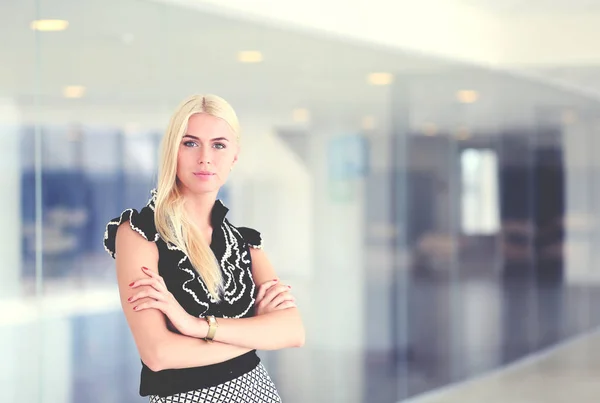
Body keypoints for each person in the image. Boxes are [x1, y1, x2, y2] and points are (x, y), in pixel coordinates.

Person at [103, 94, 305, 402]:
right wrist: (257, 332)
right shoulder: (139, 233)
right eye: (190, 143)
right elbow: (158, 354)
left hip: (258, 393)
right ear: (173, 150)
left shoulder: (245, 243)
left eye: (219, 145)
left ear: (234, 155)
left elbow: (293, 331)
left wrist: (195, 326)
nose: (205, 158)